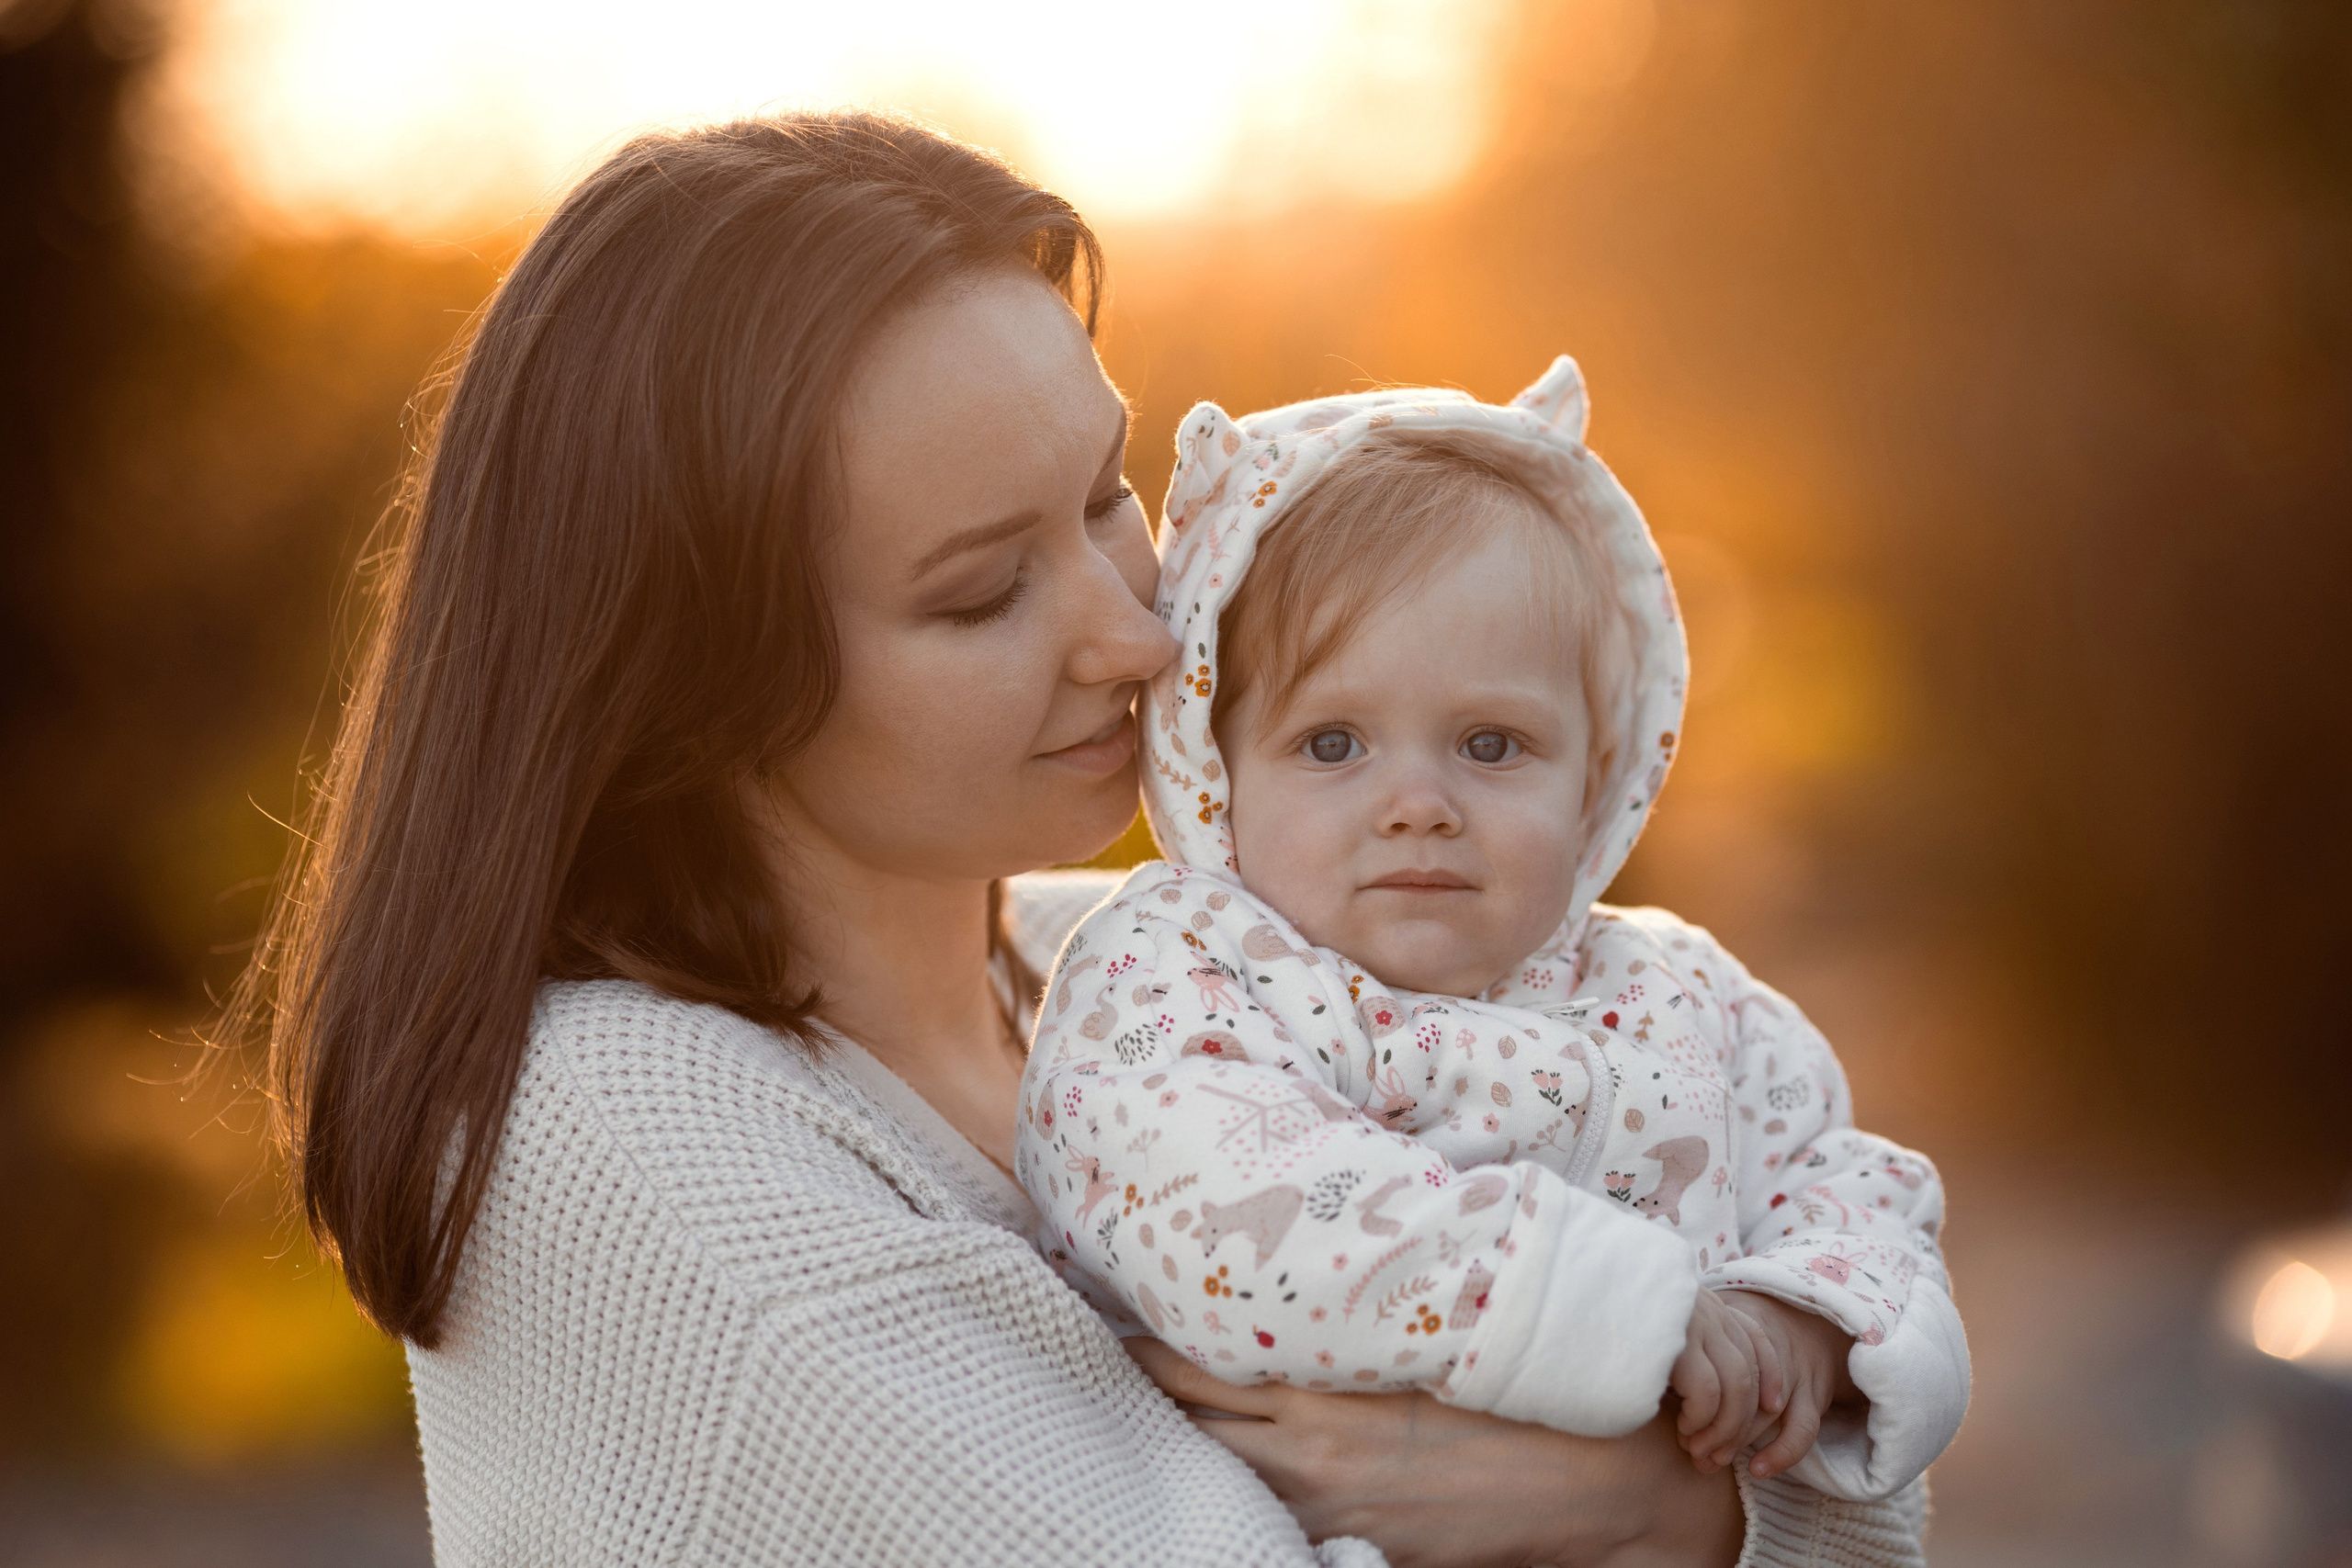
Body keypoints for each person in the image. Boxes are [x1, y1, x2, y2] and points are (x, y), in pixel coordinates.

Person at [227, 111, 1930, 1564]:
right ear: (695, 685)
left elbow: (1876, 1481)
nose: (1137, 629)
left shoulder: (1110, 973)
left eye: (1111, 496)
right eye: (982, 592)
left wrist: (1671, 1508)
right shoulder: (626, 1136)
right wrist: (1667, 1498)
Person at [1019, 367, 1968, 1502]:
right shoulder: (1178, 974)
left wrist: (1803, 1316)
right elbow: (1221, 1206)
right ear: (1211, 772)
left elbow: (1848, 1180)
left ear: (1596, 778)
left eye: (1489, 745)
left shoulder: (1681, 991)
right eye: (1333, 745)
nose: (1418, 802)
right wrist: (1622, 1313)